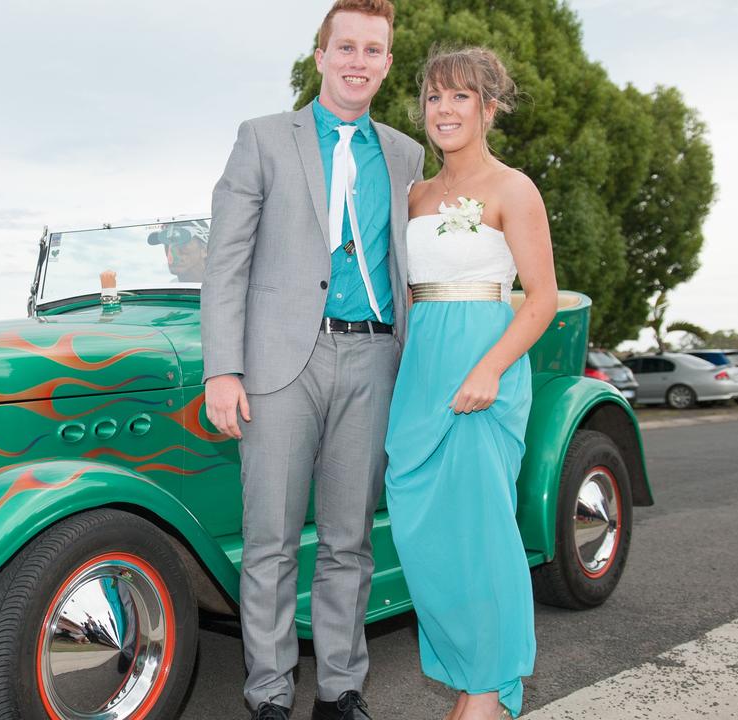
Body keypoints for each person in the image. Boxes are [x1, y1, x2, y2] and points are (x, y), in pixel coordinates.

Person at [200, 2, 424, 718]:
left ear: (387, 65)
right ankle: (268, 695)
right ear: (322, 54)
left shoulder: (405, 155)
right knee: (269, 541)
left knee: (348, 542)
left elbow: (413, 268)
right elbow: (225, 262)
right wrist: (221, 370)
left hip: (373, 361)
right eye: (346, 46)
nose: (358, 61)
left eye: (373, 50)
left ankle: (340, 690)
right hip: (277, 368)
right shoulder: (263, 139)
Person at [384, 46, 557, 720]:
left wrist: (489, 368)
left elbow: (540, 299)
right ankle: (472, 676)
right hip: (420, 376)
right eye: (433, 97)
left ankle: (485, 692)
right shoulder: (414, 196)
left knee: (482, 535)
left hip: (485, 372)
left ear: (487, 107)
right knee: (426, 537)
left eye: (459, 96)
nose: (444, 109)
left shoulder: (515, 189)